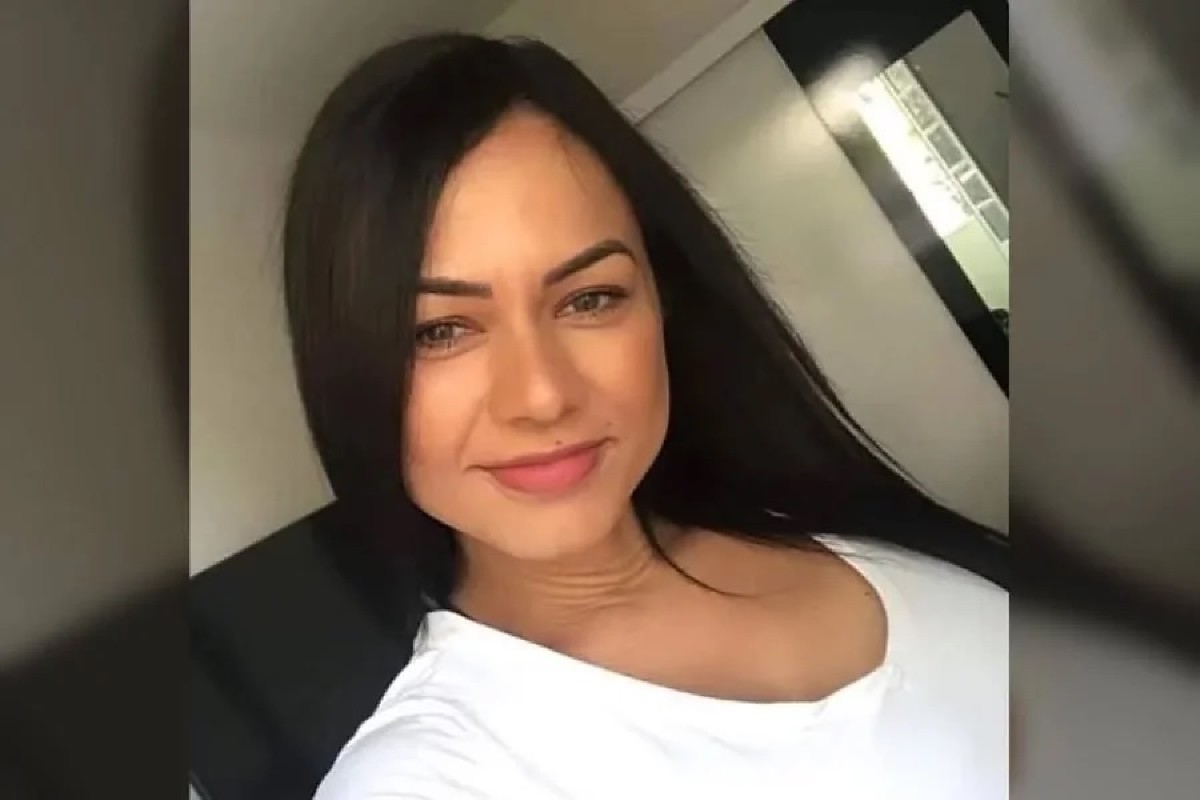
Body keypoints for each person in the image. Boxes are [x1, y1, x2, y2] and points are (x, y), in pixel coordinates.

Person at [283, 33, 1008, 800]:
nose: (542, 395)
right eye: (438, 331)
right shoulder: (425, 780)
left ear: (664, 302)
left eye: (589, 298)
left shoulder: (845, 530)